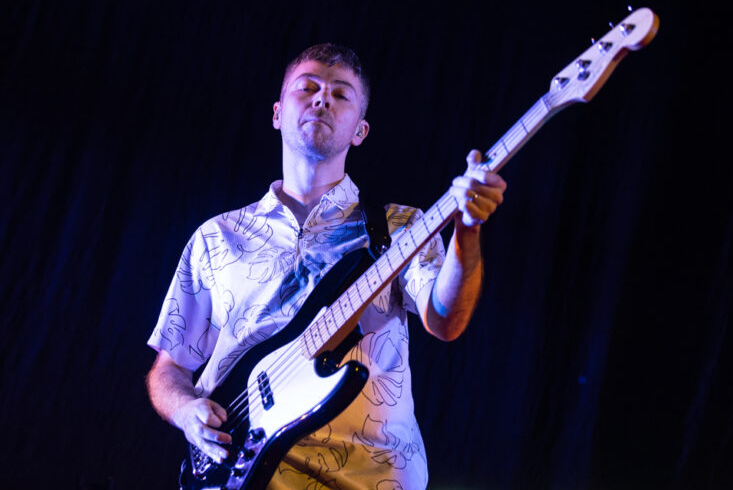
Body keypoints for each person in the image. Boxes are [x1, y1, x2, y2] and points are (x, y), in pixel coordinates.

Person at [146, 43, 507, 489]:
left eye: (341, 94)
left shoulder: (400, 227)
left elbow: (447, 320)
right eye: (308, 88)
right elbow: (170, 367)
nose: (322, 99)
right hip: (238, 476)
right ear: (277, 113)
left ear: (360, 130)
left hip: (365, 478)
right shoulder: (216, 236)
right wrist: (184, 410)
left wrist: (467, 229)